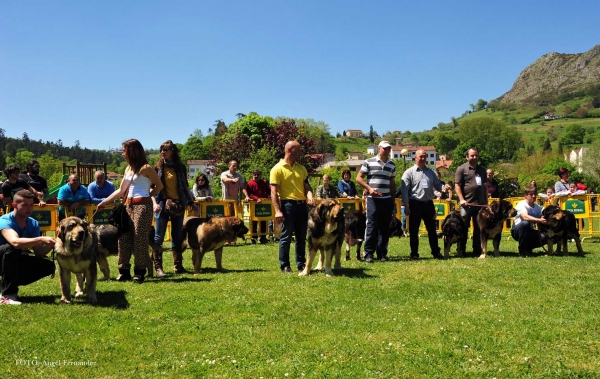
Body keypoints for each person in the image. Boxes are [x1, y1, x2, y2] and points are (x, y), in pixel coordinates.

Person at [98, 139, 163, 283]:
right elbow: (121, 191)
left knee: (140, 239)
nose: (122, 154)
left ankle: (139, 272)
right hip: (127, 206)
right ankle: (124, 271)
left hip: (142, 207)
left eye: (124, 151)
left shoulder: (146, 168)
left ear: (132, 151)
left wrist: (148, 197)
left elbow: (159, 186)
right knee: (123, 238)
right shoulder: (128, 169)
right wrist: (104, 202)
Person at [0, 190, 56, 305]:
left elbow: (39, 253)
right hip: (3, 257)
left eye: (31, 205)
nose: (29, 208)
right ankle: (8, 295)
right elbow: (15, 242)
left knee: (48, 266)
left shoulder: (33, 223)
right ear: (14, 205)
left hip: (12, 259)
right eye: (25, 205)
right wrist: (40, 239)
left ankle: (7, 282)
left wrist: (52, 245)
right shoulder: (4, 220)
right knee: (12, 249)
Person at [152, 140, 197, 276]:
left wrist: (191, 201)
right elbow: (151, 188)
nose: (162, 152)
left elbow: (185, 187)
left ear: (172, 151)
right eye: (161, 150)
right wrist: (154, 203)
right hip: (161, 204)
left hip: (178, 204)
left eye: (165, 150)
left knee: (177, 237)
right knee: (158, 237)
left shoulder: (180, 168)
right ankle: (158, 268)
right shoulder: (158, 168)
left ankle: (178, 266)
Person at [270, 141, 315, 273]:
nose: (300, 153)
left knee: (302, 236)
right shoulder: (277, 169)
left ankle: (301, 264)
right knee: (286, 236)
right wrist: (278, 211)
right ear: (290, 150)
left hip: (302, 206)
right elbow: (273, 192)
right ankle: (285, 265)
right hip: (288, 205)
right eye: (298, 150)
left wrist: (310, 196)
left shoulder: (302, 168)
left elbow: (307, 187)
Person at [400, 150, 448, 260]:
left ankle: (436, 252)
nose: (423, 158)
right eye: (421, 156)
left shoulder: (431, 172)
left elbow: (437, 185)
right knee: (414, 230)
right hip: (414, 204)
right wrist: (406, 205)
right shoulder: (409, 172)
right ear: (415, 158)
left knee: (432, 230)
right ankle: (414, 254)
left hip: (428, 204)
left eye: (425, 156)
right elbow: (404, 190)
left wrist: (444, 188)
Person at [356, 140, 396, 263]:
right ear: (379, 148)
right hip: (372, 199)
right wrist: (369, 188)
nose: (387, 150)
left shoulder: (392, 165)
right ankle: (368, 253)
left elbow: (392, 184)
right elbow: (358, 178)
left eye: (389, 148)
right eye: (385, 148)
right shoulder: (368, 162)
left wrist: (392, 201)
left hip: (386, 200)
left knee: (384, 228)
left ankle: (382, 253)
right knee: (371, 226)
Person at [454, 147, 488, 257]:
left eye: (476, 155)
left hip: (480, 205)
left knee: (479, 229)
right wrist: (461, 199)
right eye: (472, 155)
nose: (474, 157)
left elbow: (485, 187)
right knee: (463, 228)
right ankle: (461, 250)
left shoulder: (482, 170)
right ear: (467, 156)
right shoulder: (461, 169)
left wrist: (486, 202)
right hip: (466, 205)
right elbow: (457, 185)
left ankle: (477, 250)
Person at [511, 186, 547, 257]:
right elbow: (525, 217)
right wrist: (540, 220)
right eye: (531, 194)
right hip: (517, 230)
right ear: (526, 196)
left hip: (530, 231)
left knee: (545, 237)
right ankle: (522, 250)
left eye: (534, 194)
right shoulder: (521, 204)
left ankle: (528, 248)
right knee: (525, 223)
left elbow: (541, 218)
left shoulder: (537, 207)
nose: (533, 196)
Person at [247, 169, 271, 244]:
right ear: (252, 175)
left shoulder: (263, 183)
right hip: (254, 205)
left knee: (264, 220)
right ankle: (254, 238)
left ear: (260, 175)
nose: (256, 176)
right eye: (255, 174)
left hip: (263, 204)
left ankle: (263, 237)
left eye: (258, 174)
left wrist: (270, 196)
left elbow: (268, 191)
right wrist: (256, 199)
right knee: (254, 221)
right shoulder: (250, 183)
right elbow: (249, 194)